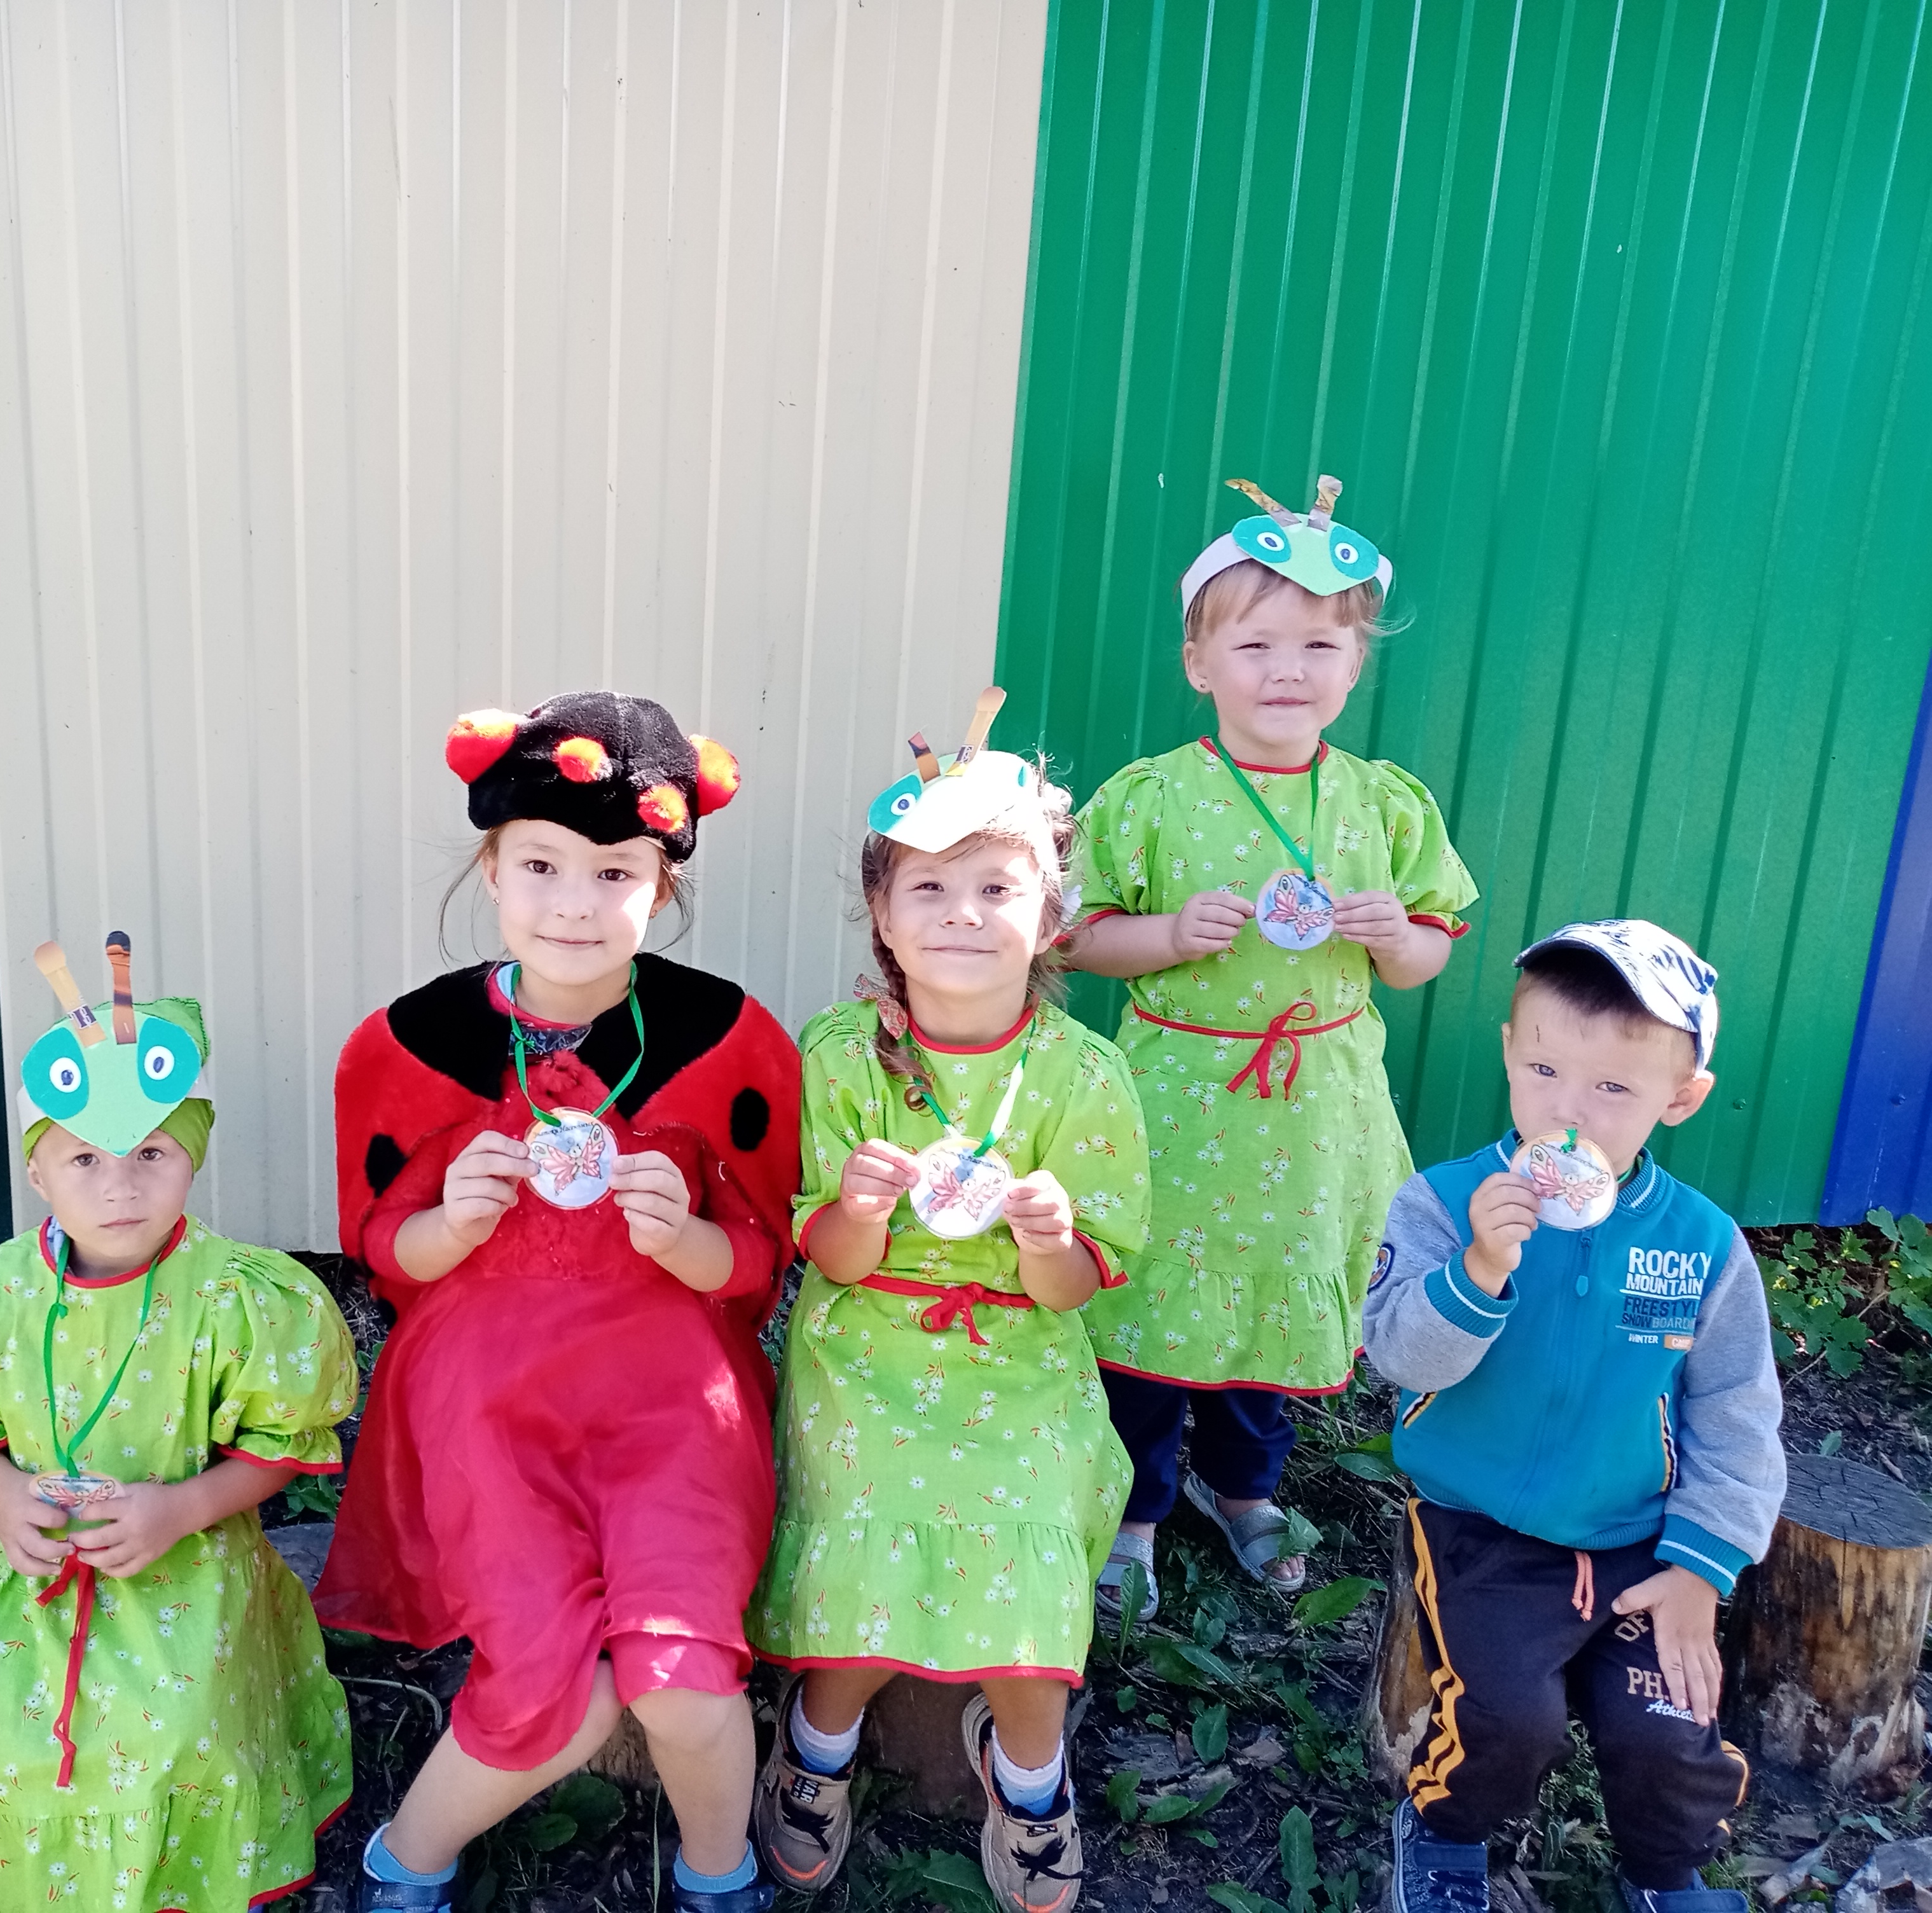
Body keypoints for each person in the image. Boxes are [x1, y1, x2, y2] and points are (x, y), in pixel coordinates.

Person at [322, 691, 798, 1913]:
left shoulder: (725, 1039)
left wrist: (686, 1238)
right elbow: (383, 1252)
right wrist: (451, 1223)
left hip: (673, 1406)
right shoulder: (413, 1043)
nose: (575, 904)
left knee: (679, 1683)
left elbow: (759, 1260)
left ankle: (720, 1874)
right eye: (540, 865)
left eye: (615, 872)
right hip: (487, 1405)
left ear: (663, 887)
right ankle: (405, 1858)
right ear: (491, 868)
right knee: (562, 1694)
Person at [745, 694, 1151, 1913]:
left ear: (1051, 917)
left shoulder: (1084, 1074)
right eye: (928, 888)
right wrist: (857, 1209)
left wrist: (1048, 1240)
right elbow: (830, 1262)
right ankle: (817, 1745)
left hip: (1019, 1349)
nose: (963, 914)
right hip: (864, 1347)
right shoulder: (840, 1056)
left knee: (1029, 1550)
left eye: (996, 888)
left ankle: (1029, 1775)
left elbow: (1074, 1290)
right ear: (882, 915)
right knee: (863, 1537)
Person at [1065, 476, 1477, 1606]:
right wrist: (1163, 934)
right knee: (1152, 1304)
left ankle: (1243, 1487)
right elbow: (1078, 937)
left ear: (1355, 665)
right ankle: (1135, 1506)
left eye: (1318, 646)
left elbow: (1428, 953)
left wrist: (1396, 938)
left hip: (1315, 1111)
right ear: (1200, 664)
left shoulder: (1384, 806)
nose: (1286, 670)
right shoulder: (1149, 799)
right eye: (1254, 645)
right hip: (1179, 1103)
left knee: (1273, 1306)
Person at [0, 942, 358, 1913]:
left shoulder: (238, 1299)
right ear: (38, 1171)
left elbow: (282, 1444)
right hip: (39, 1575)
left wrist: (181, 1508)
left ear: (191, 1158)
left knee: (177, 1737)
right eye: (85, 1159)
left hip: (190, 1566)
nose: (121, 1186)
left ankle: (185, 1871)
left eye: (152, 1153)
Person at [1364, 920, 1779, 1913]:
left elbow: (1737, 1412)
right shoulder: (1445, 1203)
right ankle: (1443, 1833)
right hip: (1483, 1532)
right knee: (1508, 1722)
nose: (1568, 1112)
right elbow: (1398, 1358)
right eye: (1545, 1070)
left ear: (1681, 1099)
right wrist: (1478, 1272)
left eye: (1613, 1089)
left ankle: (1666, 1875)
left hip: (1642, 1541)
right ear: (1510, 1050)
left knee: (1670, 1732)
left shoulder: (1703, 1245)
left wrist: (1701, 1567)